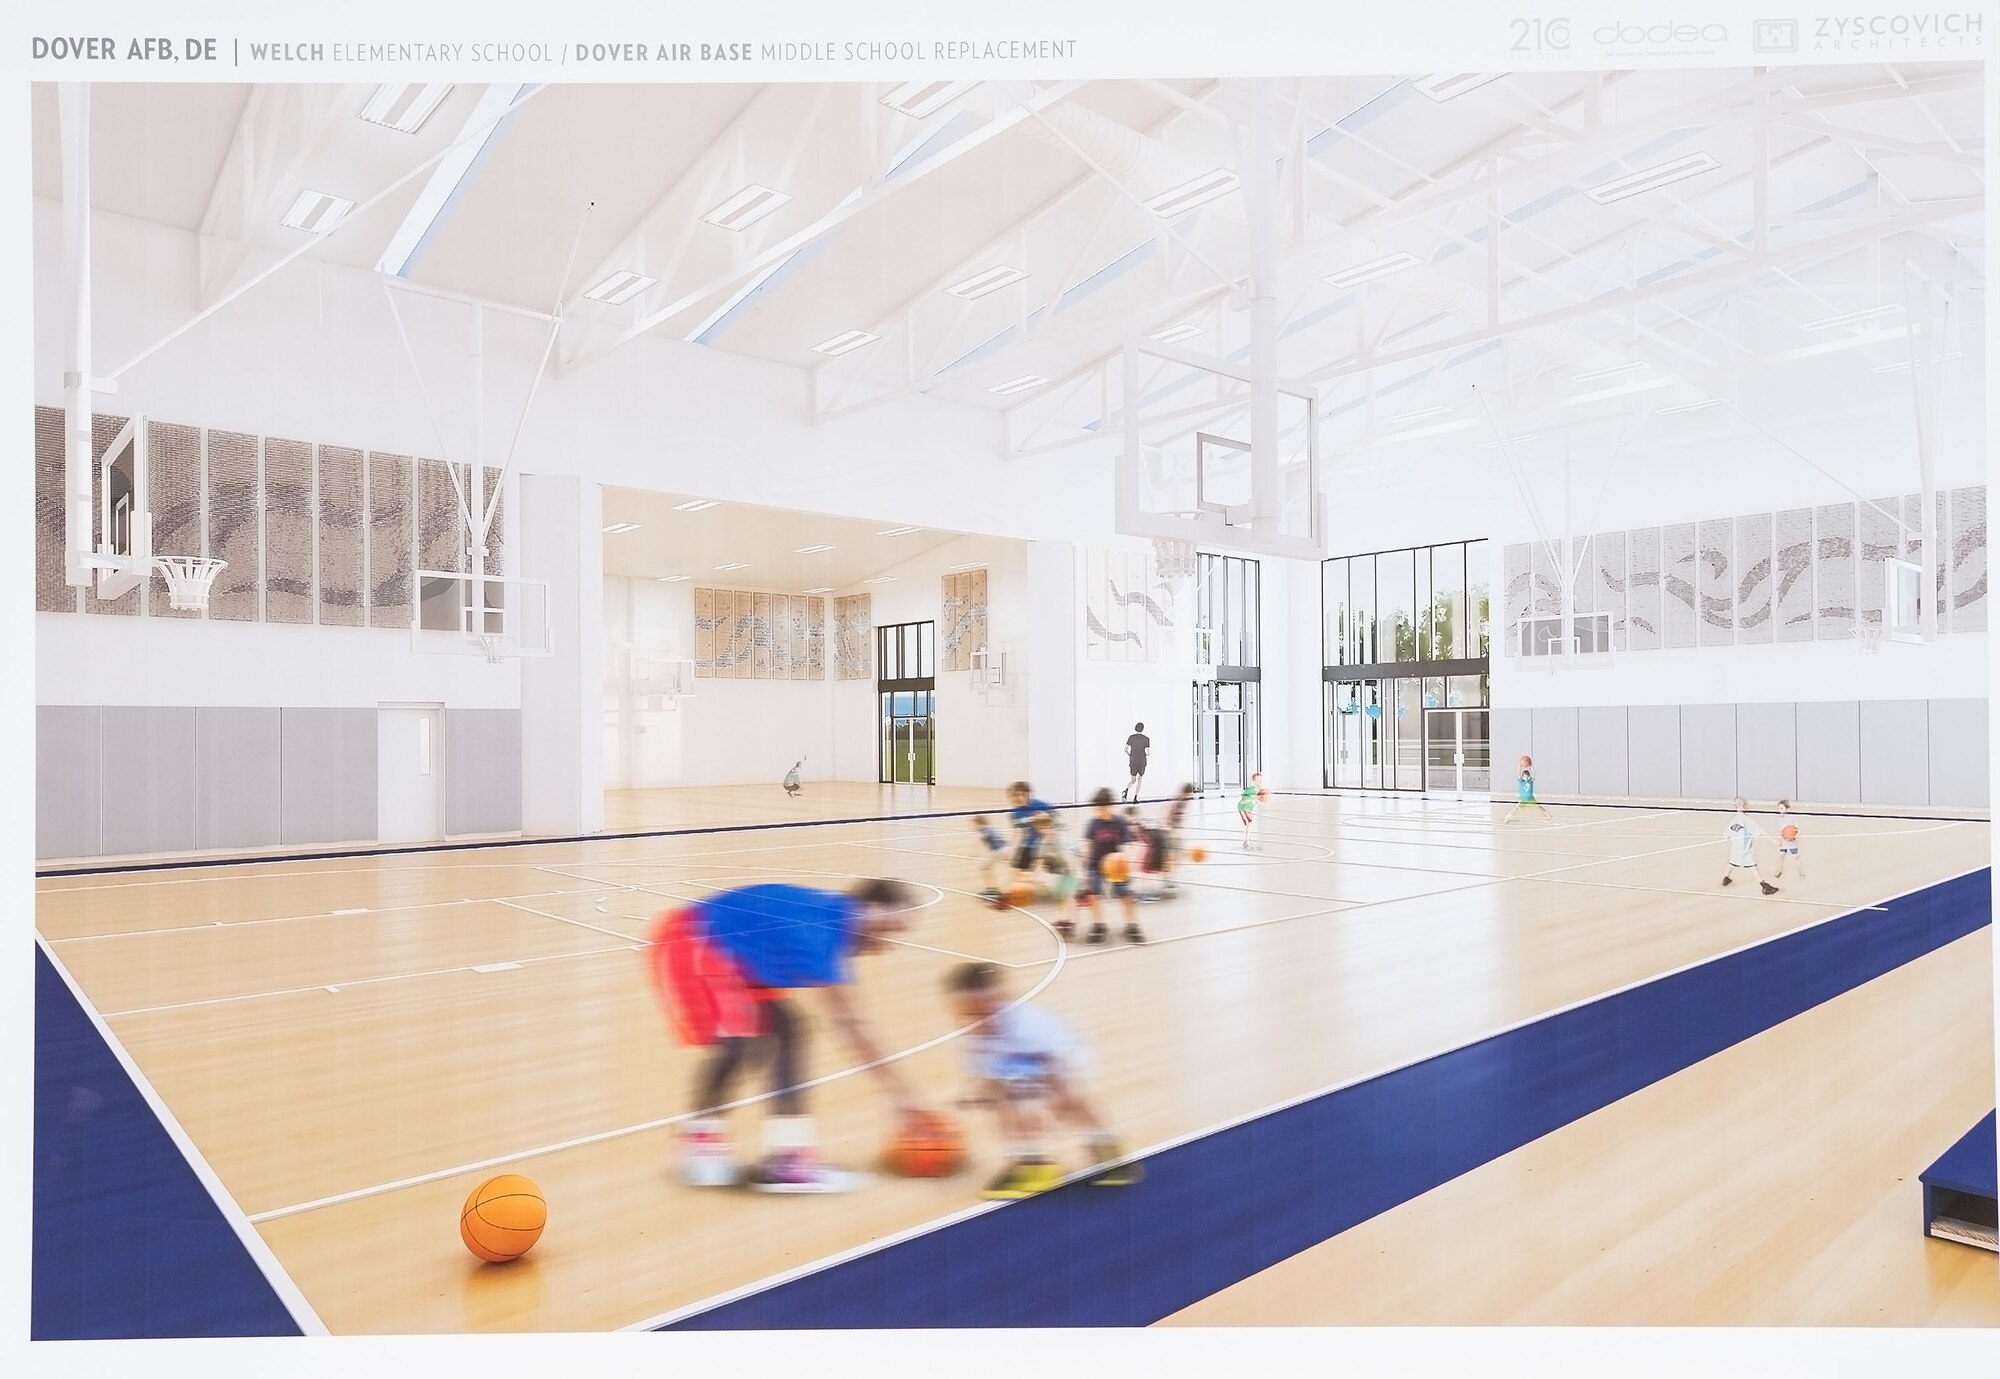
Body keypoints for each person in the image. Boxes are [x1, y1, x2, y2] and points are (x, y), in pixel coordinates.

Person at [650, 878, 929, 1192]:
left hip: (734, 956)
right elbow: (853, 1027)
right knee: (738, 1045)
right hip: (692, 940)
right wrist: (903, 1099)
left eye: (899, 934)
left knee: (790, 1031)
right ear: (867, 908)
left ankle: (788, 1156)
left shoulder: (833, 923)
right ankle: (700, 1144)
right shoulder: (819, 935)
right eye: (890, 928)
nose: (890, 943)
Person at [947, 962, 1139, 1198]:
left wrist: (1053, 1100)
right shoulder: (974, 1040)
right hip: (1020, 1061)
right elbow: (990, 1079)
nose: (980, 1020)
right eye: (970, 1013)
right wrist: (989, 1098)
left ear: (1002, 999)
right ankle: (1032, 1165)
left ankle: (1112, 1155)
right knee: (1002, 1107)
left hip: (1065, 1055)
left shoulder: (1030, 1026)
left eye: (987, 1011)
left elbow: (1054, 1067)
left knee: (1072, 1105)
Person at [1080, 787, 1144, 944]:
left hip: (1116, 866)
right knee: (1094, 895)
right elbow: (1087, 845)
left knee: (1126, 894)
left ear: (1110, 806)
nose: (1100, 811)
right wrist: (1085, 869)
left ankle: (1132, 925)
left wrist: (1129, 865)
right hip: (1096, 865)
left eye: (1103, 807)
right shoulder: (1093, 823)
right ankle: (1098, 926)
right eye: (1097, 808)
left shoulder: (1119, 822)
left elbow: (1129, 844)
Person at [1029, 813, 1081, 937]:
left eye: (1046, 827)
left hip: (1070, 869)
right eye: (1040, 828)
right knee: (1061, 896)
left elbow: (1072, 856)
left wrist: (1079, 872)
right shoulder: (1043, 843)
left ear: (1051, 825)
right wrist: (1035, 877)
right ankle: (1065, 918)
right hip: (1059, 872)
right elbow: (1040, 862)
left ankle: (1071, 922)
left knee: (1069, 896)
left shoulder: (1062, 839)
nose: (1044, 830)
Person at [1720, 799, 1780, 896]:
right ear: (1743, 806)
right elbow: (1761, 831)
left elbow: (1725, 836)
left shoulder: (1732, 821)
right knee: (1753, 867)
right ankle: (1765, 887)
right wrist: (1773, 840)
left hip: (1735, 850)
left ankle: (1725, 878)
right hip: (1745, 850)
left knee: (1732, 863)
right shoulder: (1746, 820)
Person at [971, 814, 1011, 902]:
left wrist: (974, 852)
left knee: (984, 868)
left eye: (973, 824)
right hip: (1006, 849)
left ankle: (992, 890)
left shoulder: (983, 829)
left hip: (998, 850)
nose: (972, 826)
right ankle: (996, 889)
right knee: (989, 868)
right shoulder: (993, 828)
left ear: (978, 823)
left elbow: (979, 838)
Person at [1503, 755, 1552, 824]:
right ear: (1522, 776)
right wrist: (1520, 766)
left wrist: (1530, 766)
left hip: (1530, 798)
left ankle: (1548, 815)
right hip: (1523, 798)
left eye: (1527, 776)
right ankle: (1507, 817)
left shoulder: (1530, 781)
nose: (1526, 777)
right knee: (1516, 808)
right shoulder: (1521, 782)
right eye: (1524, 776)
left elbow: (1534, 773)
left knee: (1538, 807)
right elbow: (1518, 774)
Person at [1774, 799, 1804, 880]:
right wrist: (1779, 841)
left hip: (1792, 842)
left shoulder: (1792, 818)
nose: (1779, 810)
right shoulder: (1779, 820)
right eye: (1779, 808)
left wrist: (1797, 834)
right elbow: (1780, 832)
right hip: (1783, 842)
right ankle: (1779, 870)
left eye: (1781, 808)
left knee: (1796, 857)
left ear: (1788, 809)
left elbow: (1798, 829)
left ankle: (1801, 871)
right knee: (1781, 856)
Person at [1237, 771, 1266, 850]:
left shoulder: (1259, 791)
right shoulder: (1250, 790)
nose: (1259, 782)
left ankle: (1248, 839)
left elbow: (1258, 801)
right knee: (1249, 823)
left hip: (1249, 808)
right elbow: (1242, 801)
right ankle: (1246, 841)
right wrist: (1253, 797)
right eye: (1257, 781)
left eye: (1260, 781)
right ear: (1253, 781)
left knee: (1248, 824)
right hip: (1243, 807)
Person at [1123, 722, 1151, 803]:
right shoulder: (1146, 739)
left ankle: (1126, 791)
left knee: (1133, 779)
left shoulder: (1131, 738)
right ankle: (1135, 797)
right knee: (1140, 779)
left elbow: (1125, 749)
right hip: (1141, 760)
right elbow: (1147, 752)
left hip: (1133, 760)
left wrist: (1130, 755)